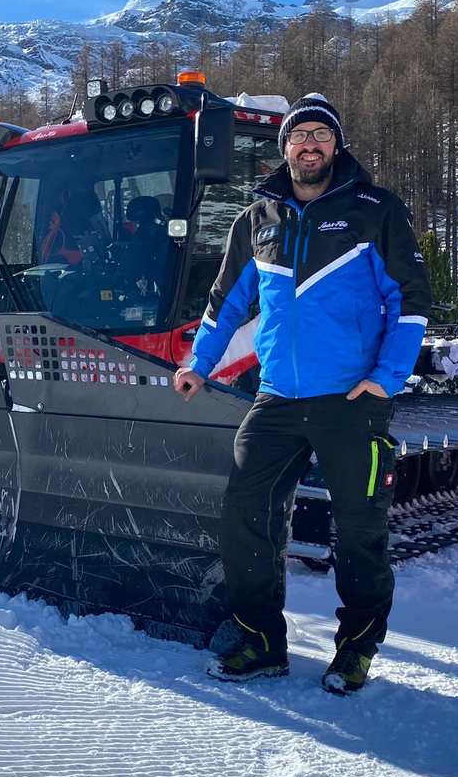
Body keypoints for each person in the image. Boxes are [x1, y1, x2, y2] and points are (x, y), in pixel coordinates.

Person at [173, 93, 432, 694]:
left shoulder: (375, 210)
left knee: (360, 529)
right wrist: (198, 366)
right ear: (284, 146)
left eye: (320, 134)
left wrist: (384, 379)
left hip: (351, 400)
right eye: (299, 136)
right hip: (277, 399)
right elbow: (225, 304)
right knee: (245, 513)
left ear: (335, 146)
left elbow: (410, 303)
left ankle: (356, 649)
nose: (308, 145)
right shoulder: (258, 219)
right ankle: (262, 642)